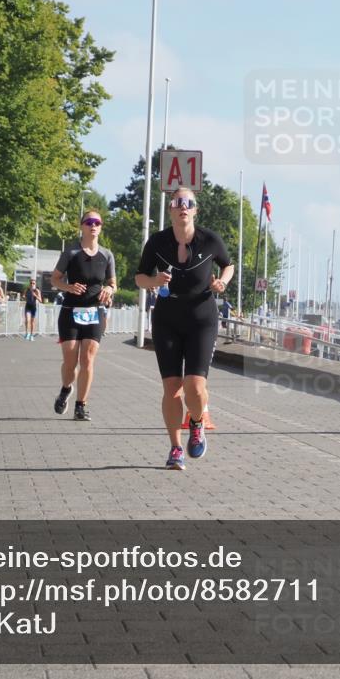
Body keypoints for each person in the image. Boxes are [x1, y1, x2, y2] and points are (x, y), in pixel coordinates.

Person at [135, 187, 234, 470]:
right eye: (178, 202)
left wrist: (222, 283)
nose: (183, 207)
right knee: (172, 388)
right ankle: (176, 447)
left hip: (201, 317)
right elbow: (140, 277)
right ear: (170, 209)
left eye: (188, 203)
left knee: (195, 385)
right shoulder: (157, 242)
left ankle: (197, 421)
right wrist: (154, 281)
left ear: (195, 210)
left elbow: (228, 266)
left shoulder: (210, 239)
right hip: (167, 318)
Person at [50, 211, 117, 421]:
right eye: (89, 222)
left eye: (97, 222)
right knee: (70, 363)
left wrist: (109, 289)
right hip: (71, 312)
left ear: (101, 227)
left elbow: (113, 283)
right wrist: (68, 287)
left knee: (87, 360)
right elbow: (55, 279)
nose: (93, 226)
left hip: (94, 313)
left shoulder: (107, 255)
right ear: (82, 226)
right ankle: (66, 388)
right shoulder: (71, 252)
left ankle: (81, 405)